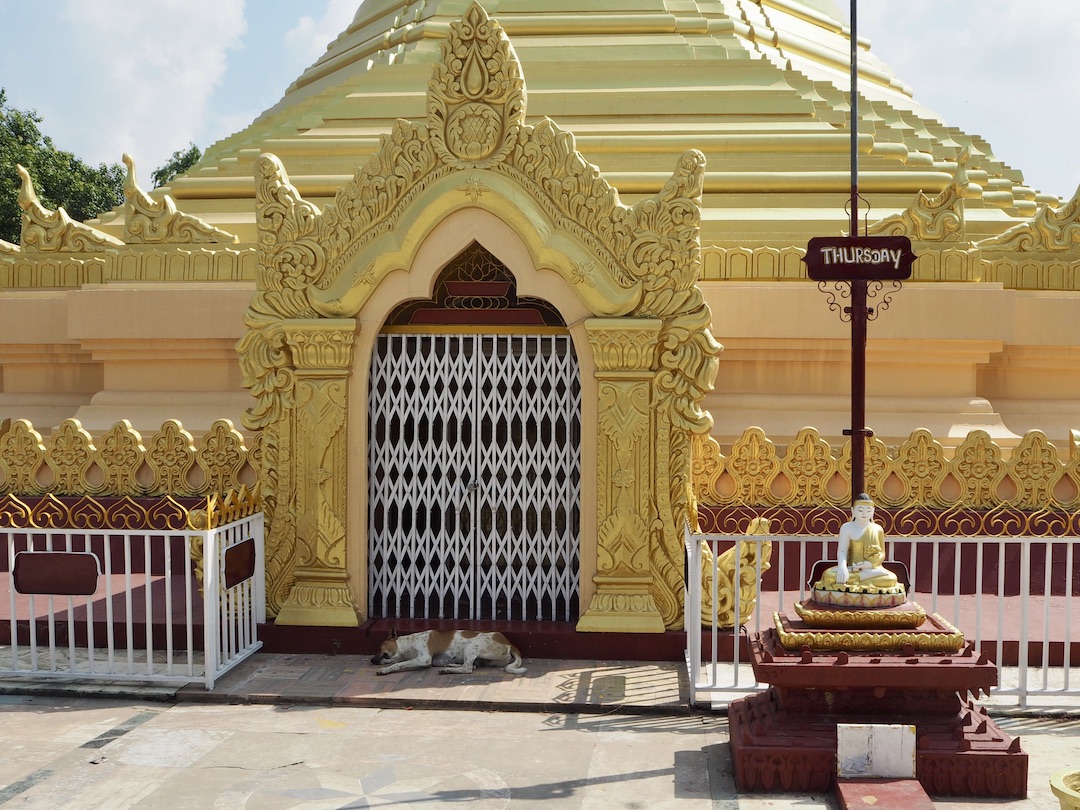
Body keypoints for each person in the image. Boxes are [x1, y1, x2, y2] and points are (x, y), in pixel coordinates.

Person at [814, 493, 899, 591]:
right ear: (853, 511)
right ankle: (864, 578)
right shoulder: (847, 528)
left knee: (891, 579)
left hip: (872, 568)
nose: (864, 514)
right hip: (852, 568)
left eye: (868, 510)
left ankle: (862, 578)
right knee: (828, 575)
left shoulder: (877, 529)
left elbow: (882, 553)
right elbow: (842, 551)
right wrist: (842, 567)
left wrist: (869, 565)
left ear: (873, 512)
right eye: (860, 510)